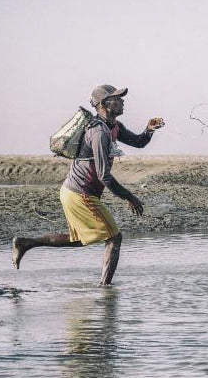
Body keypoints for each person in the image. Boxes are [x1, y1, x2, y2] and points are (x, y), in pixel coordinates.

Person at [12, 84, 165, 286]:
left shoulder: (113, 126)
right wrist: (130, 196)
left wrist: (149, 130)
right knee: (114, 238)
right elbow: (104, 176)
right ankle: (105, 290)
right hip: (80, 193)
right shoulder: (99, 132)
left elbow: (138, 142)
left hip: (73, 191)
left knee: (79, 239)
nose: (122, 101)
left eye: (121, 97)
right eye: (116, 98)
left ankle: (26, 243)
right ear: (103, 104)